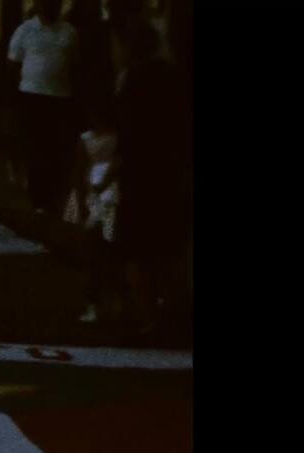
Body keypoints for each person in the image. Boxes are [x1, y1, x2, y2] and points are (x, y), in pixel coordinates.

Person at [113, 20, 191, 341]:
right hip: (170, 170)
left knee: (133, 247)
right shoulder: (176, 80)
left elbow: (124, 127)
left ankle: (147, 316)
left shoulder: (129, 80)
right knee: (171, 244)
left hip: (137, 170)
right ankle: (175, 310)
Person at [7, 0, 81, 214]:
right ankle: (38, 196)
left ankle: (51, 193)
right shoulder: (25, 30)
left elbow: (75, 66)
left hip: (59, 97)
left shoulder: (69, 32)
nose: (50, 7)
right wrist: (13, 96)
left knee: (55, 148)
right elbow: (13, 63)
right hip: (31, 95)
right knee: (35, 145)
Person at [65, 100, 121, 328]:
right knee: (108, 247)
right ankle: (112, 301)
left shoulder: (87, 139)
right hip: (110, 195)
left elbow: (78, 172)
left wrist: (77, 204)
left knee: (97, 249)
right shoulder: (118, 138)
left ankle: (96, 303)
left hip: (99, 196)